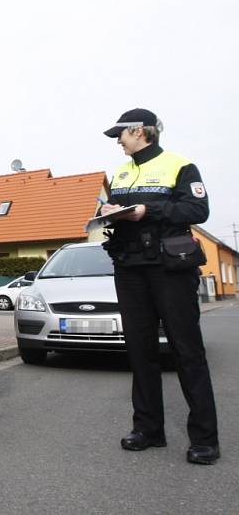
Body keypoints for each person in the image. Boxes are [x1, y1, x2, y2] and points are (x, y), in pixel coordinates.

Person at [101, 108, 219, 465]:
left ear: (140, 131)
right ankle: (149, 430)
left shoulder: (179, 165)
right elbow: (121, 212)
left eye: (120, 134)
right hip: (130, 268)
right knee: (140, 352)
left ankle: (204, 439)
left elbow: (197, 210)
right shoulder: (120, 173)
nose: (117, 142)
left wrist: (146, 211)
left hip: (170, 269)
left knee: (187, 352)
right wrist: (107, 213)